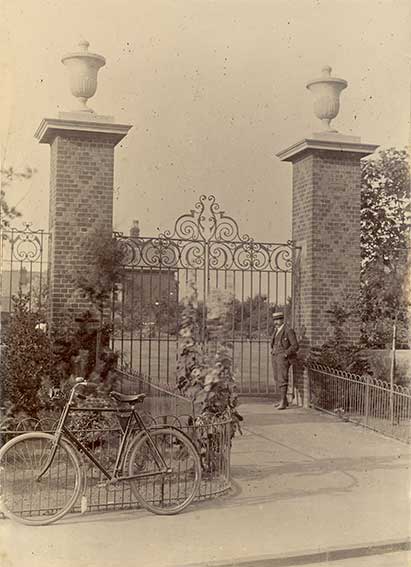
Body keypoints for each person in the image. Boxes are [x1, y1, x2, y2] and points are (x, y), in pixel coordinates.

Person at [271, 311, 299, 410]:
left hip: (283, 358)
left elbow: (295, 346)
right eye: (275, 320)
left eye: (278, 319)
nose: (276, 322)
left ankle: (283, 402)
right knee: (277, 378)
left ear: (282, 319)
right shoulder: (276, 330)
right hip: (275, 356)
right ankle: (284, 400)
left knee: (282, 379)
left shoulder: (288, 330)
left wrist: (285, 354)